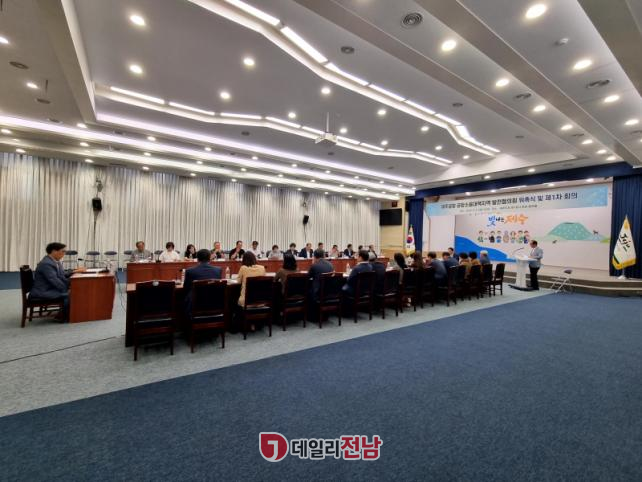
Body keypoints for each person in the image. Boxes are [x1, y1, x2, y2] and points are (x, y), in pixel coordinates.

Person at [30, 242, 86, 321]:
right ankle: (63, 316)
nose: (64, 254)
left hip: (49, 288)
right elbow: (55, 281)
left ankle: (65, 313)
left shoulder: (55, 261)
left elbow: (62, 274)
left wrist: (74, 271)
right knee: (71, 293)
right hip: (43, 291)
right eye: (63, 251)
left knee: (72, 290)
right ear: (54, 251)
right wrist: (69, 286)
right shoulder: (46, 264)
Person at [183, 249, 222, 314]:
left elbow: (186, 289)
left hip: (196, 304)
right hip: (215, 303)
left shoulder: (190, 271)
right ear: (210, 258)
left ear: (197, 259)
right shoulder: (218, 270)